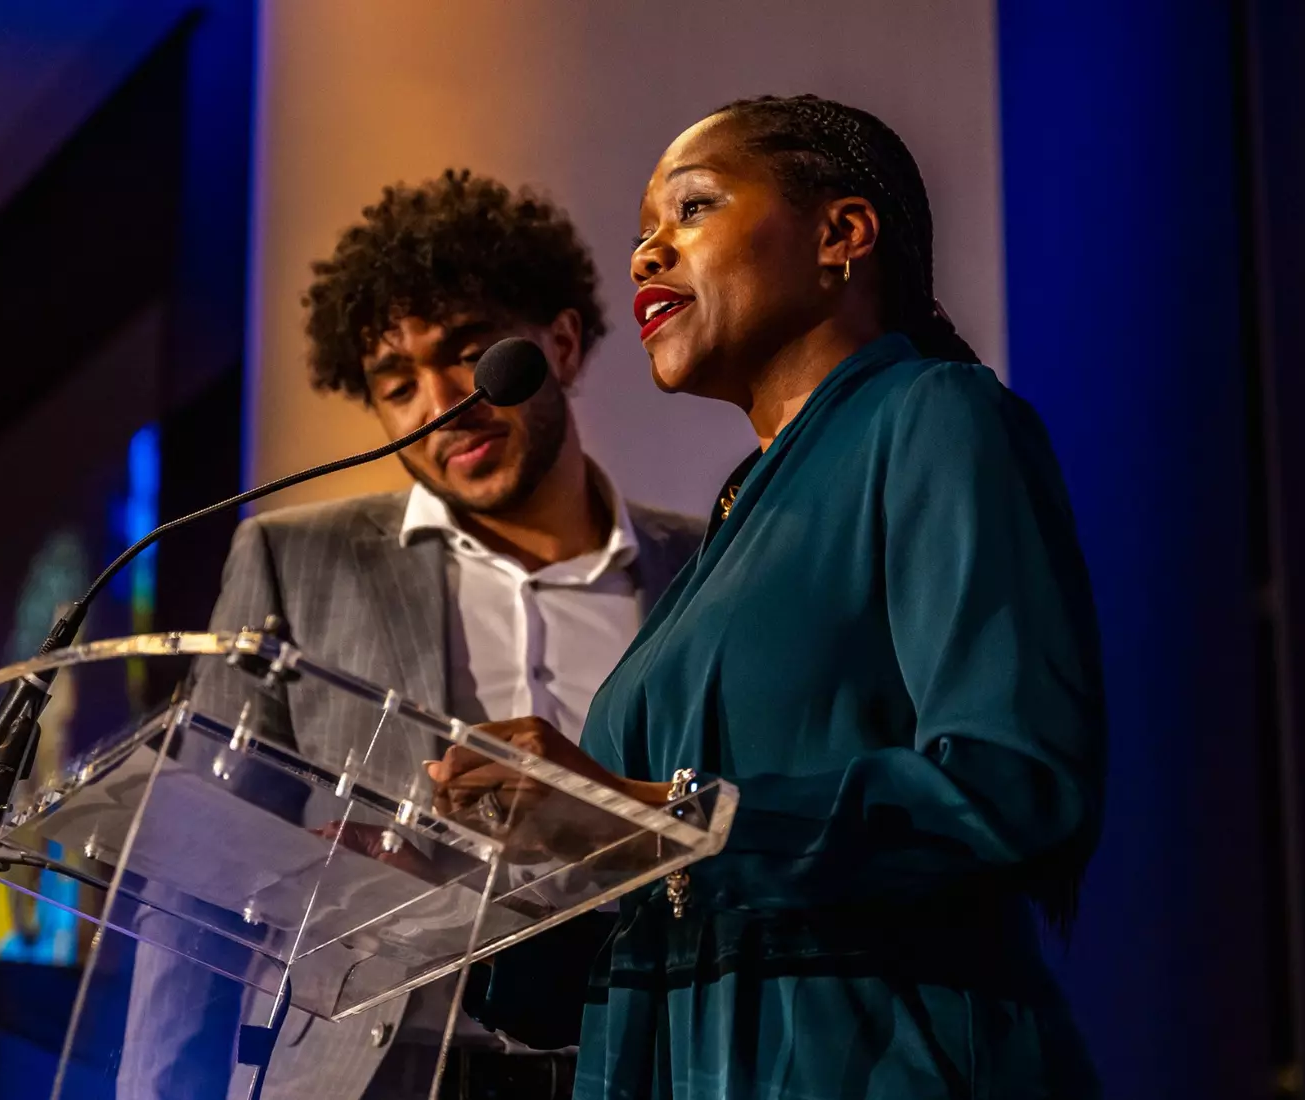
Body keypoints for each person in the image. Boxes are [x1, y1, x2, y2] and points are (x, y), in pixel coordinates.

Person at [436, 95, 1107, 1099]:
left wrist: (657, 814)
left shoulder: (934, 417)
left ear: (842, 233)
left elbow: (1016, 783)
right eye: (640, 237)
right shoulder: (734, 525)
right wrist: (466, 879)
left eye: (692, 210)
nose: (645, 257)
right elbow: (598, 940)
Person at [116, 169, 704, 1100]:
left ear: (559, 342)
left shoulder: (708, 563)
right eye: (398, 385)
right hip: (386, 1073)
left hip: (657, 1064)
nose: (441, 405)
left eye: (470, 354)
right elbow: (200, 873)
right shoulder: (293, 561)